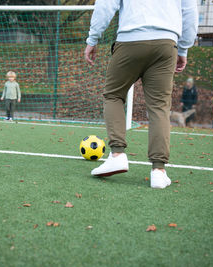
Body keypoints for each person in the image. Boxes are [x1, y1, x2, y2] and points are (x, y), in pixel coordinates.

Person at [84, 0, 198, 189]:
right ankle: (158, 171)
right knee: (159, 107)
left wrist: (92, 39)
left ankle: (117, 155)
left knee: (113, 95)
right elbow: (190, 12)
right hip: (166, 43)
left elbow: (105, 4)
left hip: (130, 41)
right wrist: (184, 47)